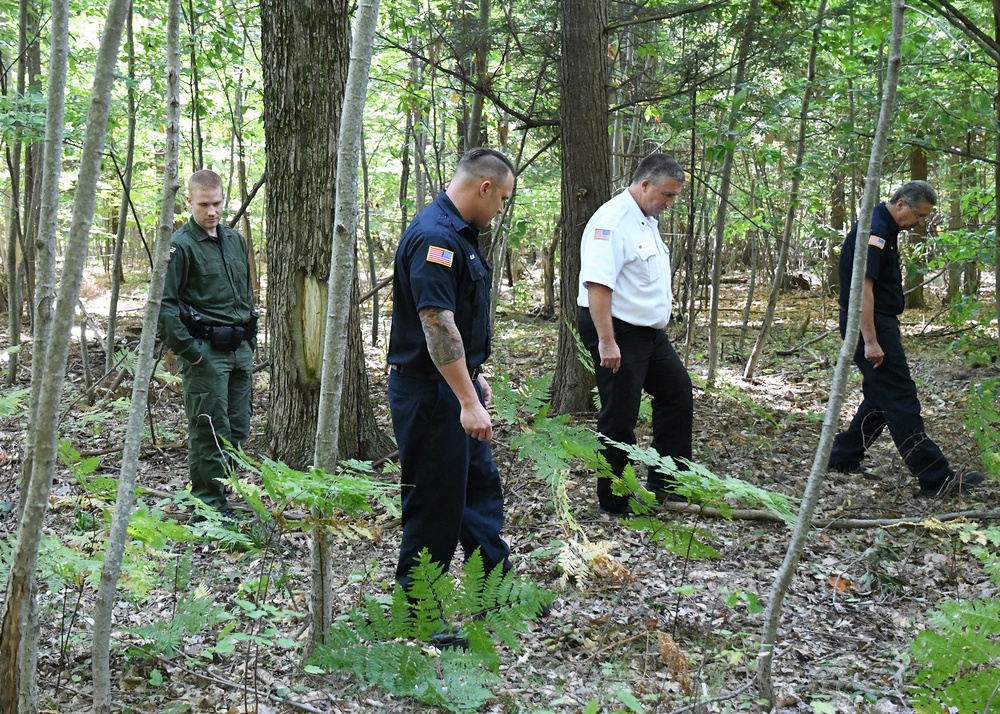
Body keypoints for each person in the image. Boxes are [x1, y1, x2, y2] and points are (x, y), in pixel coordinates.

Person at [387, 148, 515, 595]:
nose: (500, 210)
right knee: (435, 506)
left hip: (456, 390)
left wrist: (473, 379)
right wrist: (465, 400)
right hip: (431, 398)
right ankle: (419, 611)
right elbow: (437, 323)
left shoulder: (458, 235)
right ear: (484, 188)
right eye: (501, 199)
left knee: (478, 494)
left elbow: (458, 319)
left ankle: (496, 593)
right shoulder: (435, 239)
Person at [829, 180, 983, 498]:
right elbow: (863, 291)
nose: (920, 222)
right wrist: (870, 340)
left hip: (874, 323)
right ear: (901, 204)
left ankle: (843, 459)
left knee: (879, 396)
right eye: (919, 215)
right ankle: (936, 479)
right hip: (870, 325)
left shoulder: (885, 226)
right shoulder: (875, 228)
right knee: (900, 398)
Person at [577, 153, 694, 515]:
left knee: (677, 393)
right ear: (644, 184)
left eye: (674, 197)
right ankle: (615, 500)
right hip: (617, 330)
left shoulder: (646, 218)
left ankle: (668, 485)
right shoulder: (612, 220)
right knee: (620, 414)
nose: (669, 204)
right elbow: (597, 285)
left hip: (648, 333)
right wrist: (606, 342)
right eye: (666, 195)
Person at [158, 169, 257, 516]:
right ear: (189, 202)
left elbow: (244, 295)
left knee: (238, 428)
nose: (211, 211)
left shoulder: (234, 240)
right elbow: (163, 305)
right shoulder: (180, 246)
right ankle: (208, 506)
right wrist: (191, 352)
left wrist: (251, 339)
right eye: (204, 205)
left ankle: (223, 494)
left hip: (239, 350)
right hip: (206, 353)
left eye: (216, 203)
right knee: (209, 430)